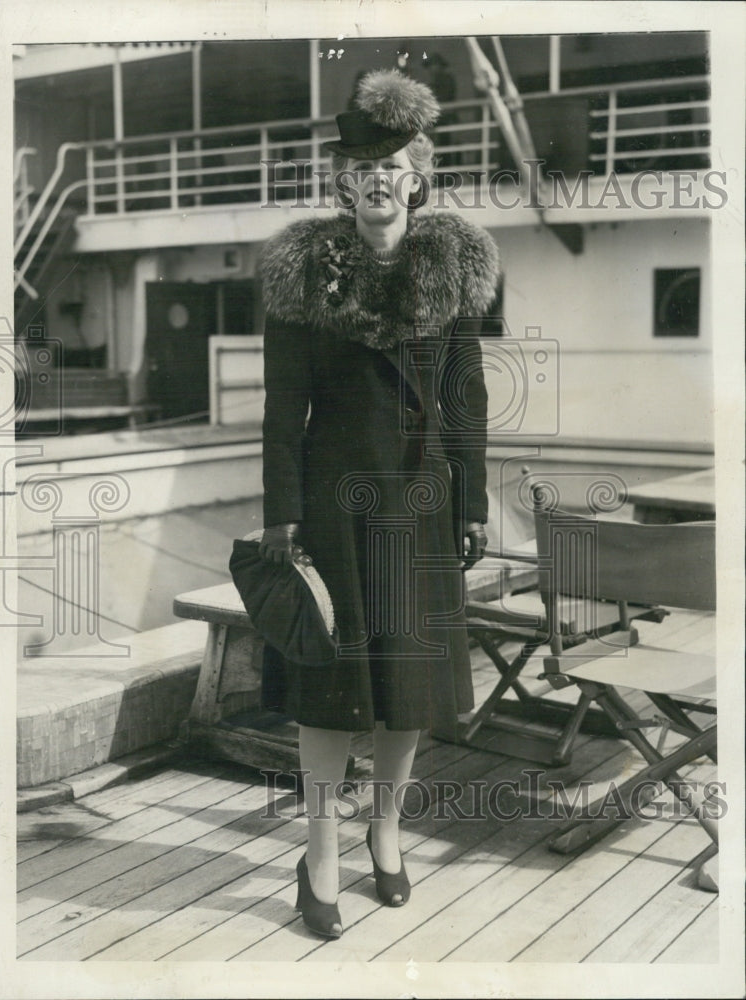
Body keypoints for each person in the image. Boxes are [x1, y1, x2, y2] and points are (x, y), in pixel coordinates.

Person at [257, 69, 499, 939]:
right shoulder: (299, 276)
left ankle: (384, 831)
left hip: (424, 503)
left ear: (418, 179)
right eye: (361, 169)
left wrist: (471, 502)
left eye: (393, 166)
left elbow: (466, 395)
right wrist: (283, 516)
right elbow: (284, 411)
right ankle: (320, 849)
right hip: (333, 506)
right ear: (341, 185)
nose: (378, 182)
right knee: (330, 686)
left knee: (410, 685)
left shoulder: (458, 268)